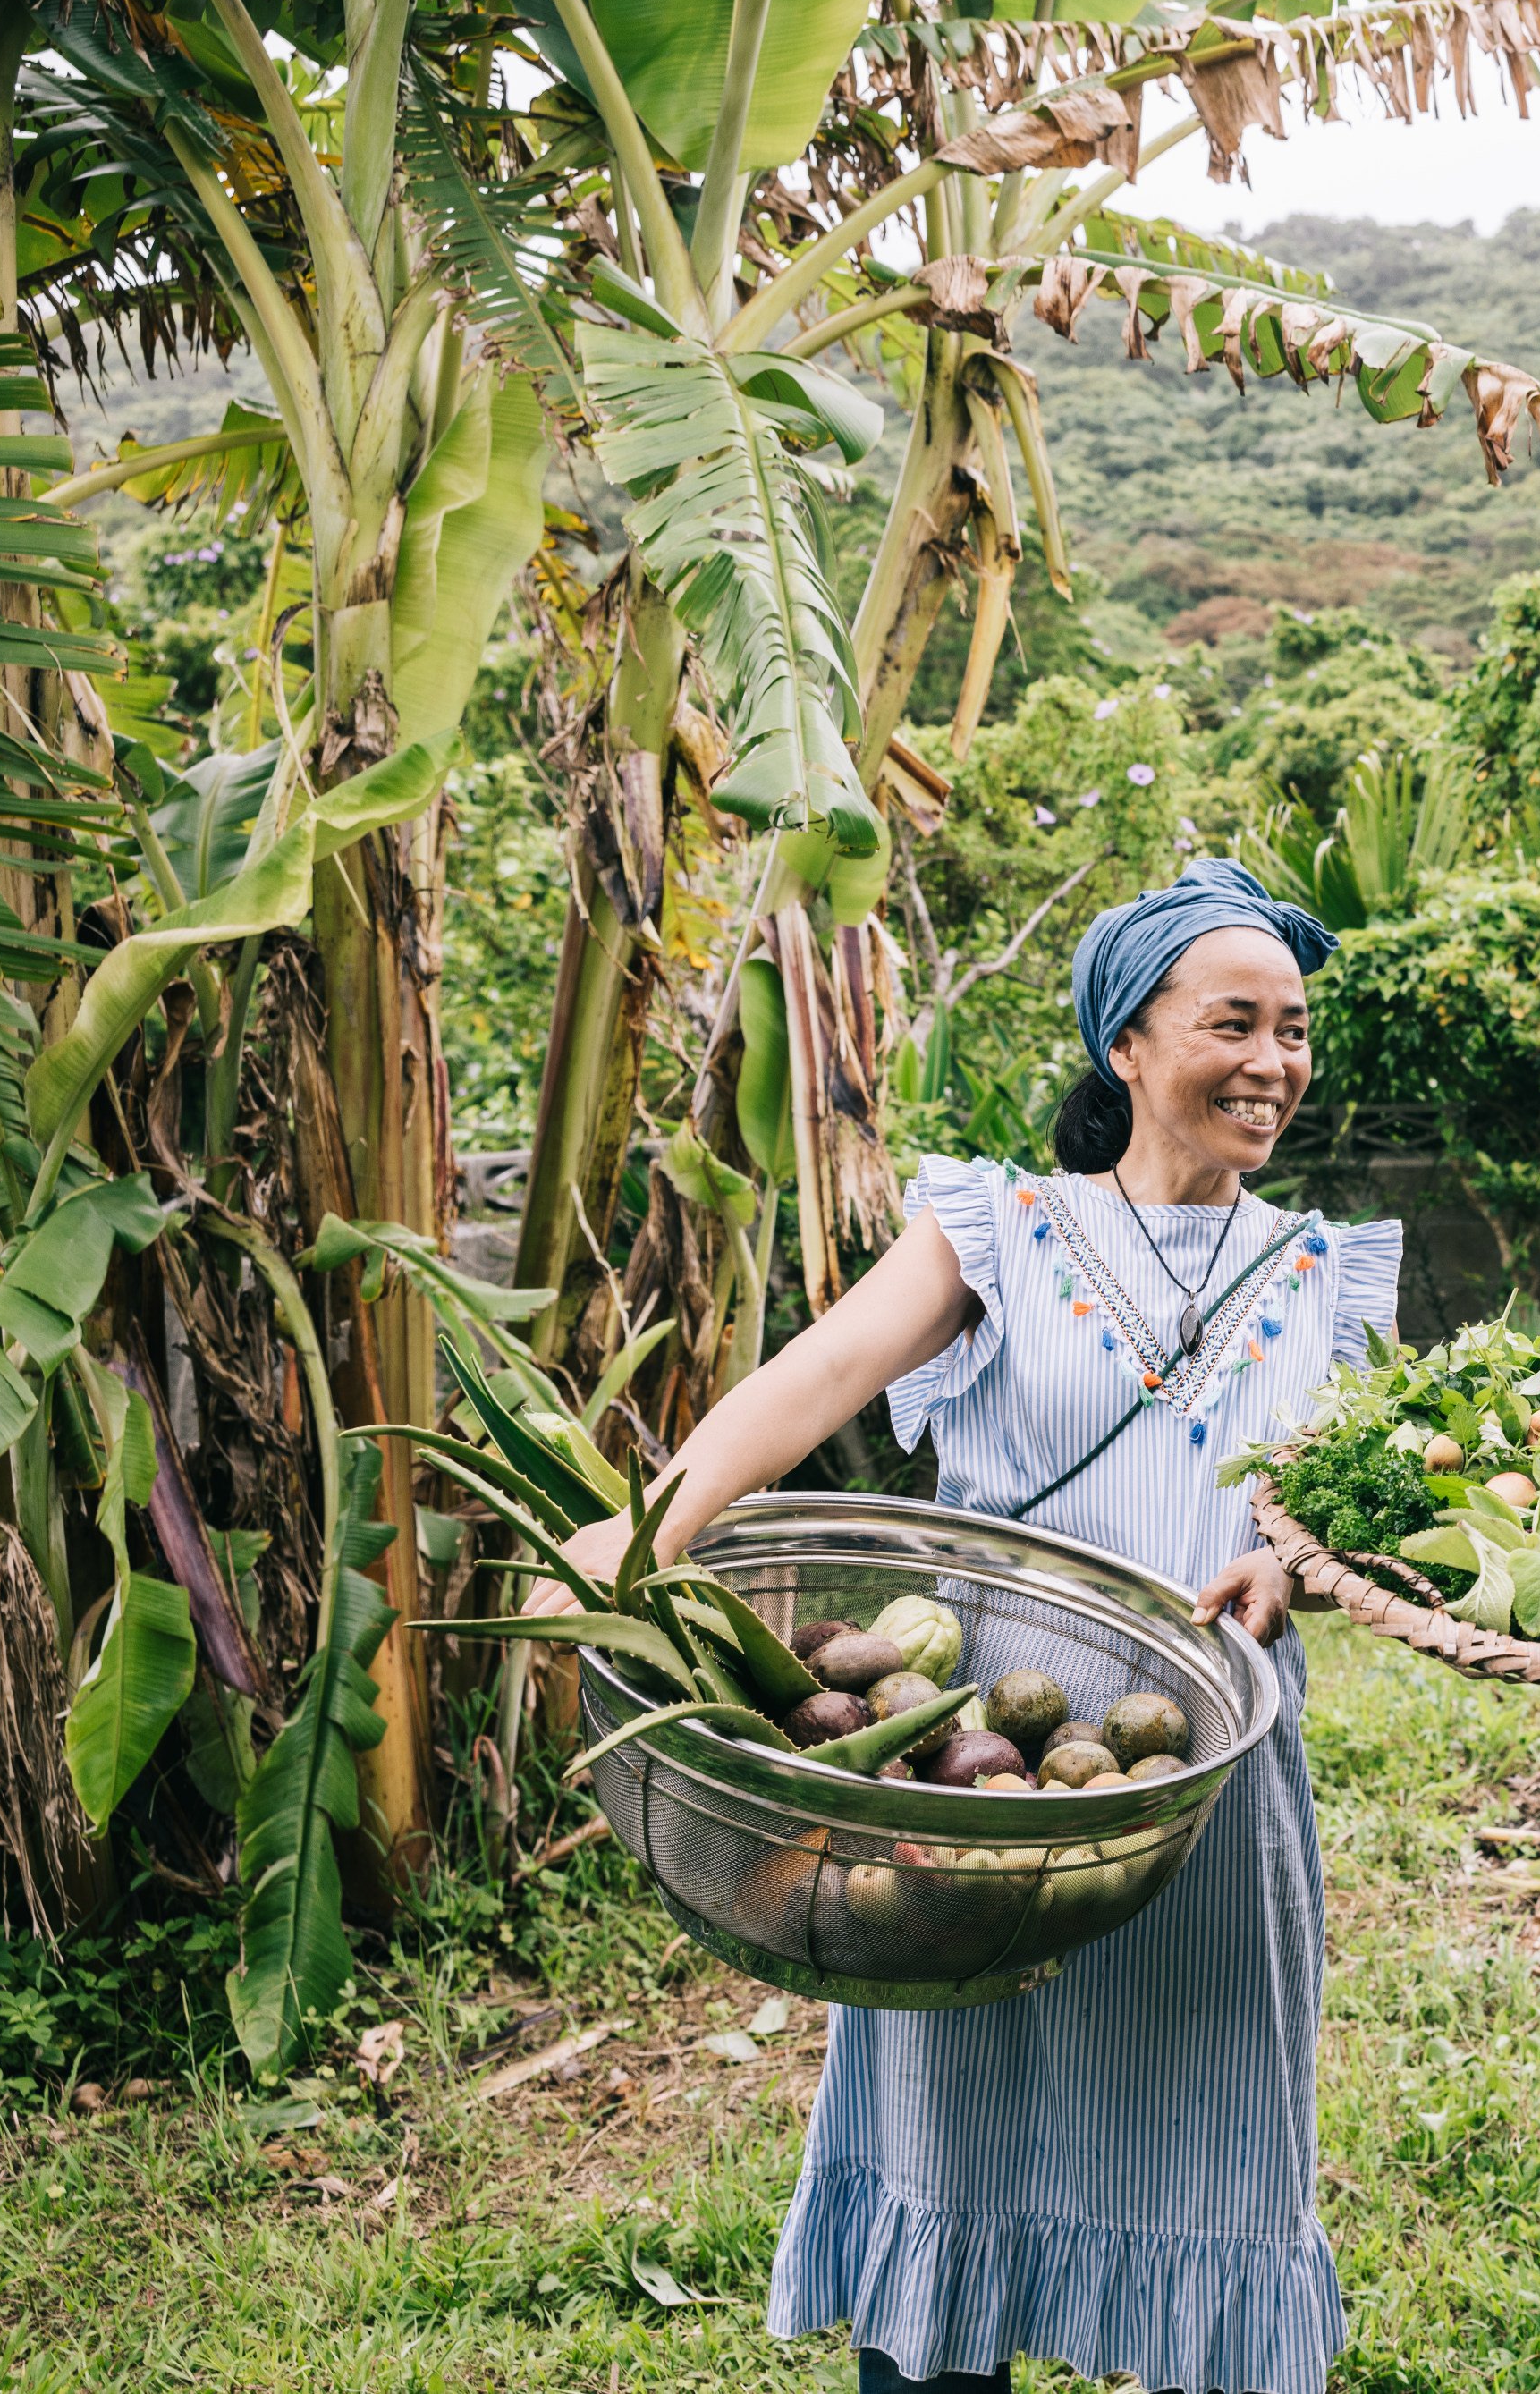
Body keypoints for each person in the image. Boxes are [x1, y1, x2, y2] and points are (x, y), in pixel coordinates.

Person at [528, 858, 1399, 2394]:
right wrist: (647, 1530)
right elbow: (819, 1376)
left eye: (1295, 1030)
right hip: (972, 1772)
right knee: (954, 2131)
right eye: (1232, 1023)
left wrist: (1305, 1567)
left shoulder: (1331, 1273)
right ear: (1127, 1044)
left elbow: (1372, 1510)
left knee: (1215, 2136)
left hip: (1205, 1781)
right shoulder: (1004, 1229)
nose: (1273, 1062)